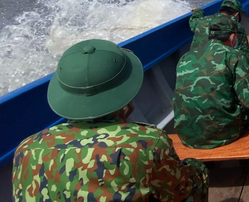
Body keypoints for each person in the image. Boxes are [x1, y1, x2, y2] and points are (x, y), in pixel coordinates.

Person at [12, 39, 208, 202]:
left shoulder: (27, 149)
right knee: (196, 172)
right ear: (126, 91)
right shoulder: (147, 143)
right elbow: (183, 193)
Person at [174, 16, 249, 149]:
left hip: (187, 135)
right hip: (223, 135)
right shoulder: (234, 56)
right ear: (232, 37)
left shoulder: (185, 57)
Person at [189, 0, 249, 87]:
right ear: (237, 14)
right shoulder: (236, 26)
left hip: (195, 69)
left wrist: (198, 11)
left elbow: (193, 20)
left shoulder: (200, 22)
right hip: (219, 71)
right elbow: (245, 57)